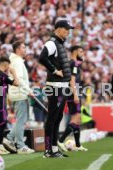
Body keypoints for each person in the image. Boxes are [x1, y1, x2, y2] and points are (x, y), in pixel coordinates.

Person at [39, 20, 74, 158]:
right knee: (52, 117)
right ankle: (48, 150)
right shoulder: (52, 42)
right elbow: (42, 57)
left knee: (58, 118)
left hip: (62, 86)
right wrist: (54, 70)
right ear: (58, 29)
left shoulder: (58, 44)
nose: (68, 32)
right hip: (55, 86)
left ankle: (54, 149)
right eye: (66, 29)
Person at [3, 40, 35, 154]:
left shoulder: (16, 61)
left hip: (19, 93)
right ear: (17, 50)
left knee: (21, 120)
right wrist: (29, 90)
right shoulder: (17, 62)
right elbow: (19, 79)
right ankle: (20, 146)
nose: (25, 49)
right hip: (20, 94)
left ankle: (9, 138)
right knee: (21, 121)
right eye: (23, 47)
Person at [57, 45, 88, 152]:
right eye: (81, 51)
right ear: (75, 52)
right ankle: (60, 140)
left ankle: (78, 145)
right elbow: (72, 80)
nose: (83, 53)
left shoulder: (71, 63)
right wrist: (75, 94)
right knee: (76, 118)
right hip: (73, 93)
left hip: (71, 93)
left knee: (77, 120)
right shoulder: (73, 63)